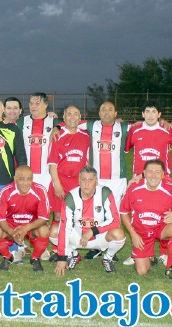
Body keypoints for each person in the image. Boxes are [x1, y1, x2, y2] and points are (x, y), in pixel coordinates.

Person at [120, 159, 172, 279]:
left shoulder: (170, 189)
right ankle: (150, 257)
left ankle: (171, 267)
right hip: (141, 233)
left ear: (163, 174)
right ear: (144, 173)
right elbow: (124, 212)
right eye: (150, 171)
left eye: (157, 172)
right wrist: (133, 234)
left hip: (161, 229)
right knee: (142, 271)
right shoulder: (134, 188)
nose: (153, 175)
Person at [54, 167, 125, 276]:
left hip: (100, 237)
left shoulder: (105, 193)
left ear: (96, 181)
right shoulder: (71, 197)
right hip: (78, 237)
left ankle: (108, 258)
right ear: (79, 181)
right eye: (83, 179)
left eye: (90, 180)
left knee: (119, 234)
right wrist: (61, 257)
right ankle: (72, 254)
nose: (87, 183)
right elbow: (65, 227)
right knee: (55, 231)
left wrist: (93, 231)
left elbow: (115, 221)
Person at [84, 101, 129, 260]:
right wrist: (56, 125)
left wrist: (164, 122)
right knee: (96, 213)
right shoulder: (90, 125)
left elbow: (143, 126)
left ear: (116, 114)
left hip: (117, 179)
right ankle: (97, 246)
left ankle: (112, 246)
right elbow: (70, 122)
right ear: (99, 113)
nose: (107, 112)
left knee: (113, 214)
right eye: (103, 109)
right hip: (96, 179)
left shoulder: (124, 128)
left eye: (110, 109)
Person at [48, 106, 90, 261]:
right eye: (69, 114)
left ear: (80, 118)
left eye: (76, 114)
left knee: (75, 217)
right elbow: (52, 164)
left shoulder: (85, 136)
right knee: (58, 215)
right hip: (61, 180)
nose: (72, 117)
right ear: (63, 117)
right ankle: (57, 249)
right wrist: (57, 184)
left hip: (78, 183)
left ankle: (70, 249)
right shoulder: (58, 135)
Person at [0, 165, 50, 272]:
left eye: (29, 179)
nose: (25, 183)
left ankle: (35, 258)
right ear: (15, 179)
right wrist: (12, 232)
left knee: (45, 230)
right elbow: (0, 218)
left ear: (33, 179)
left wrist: (26, 228)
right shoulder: (6, 191)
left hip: (31, 226)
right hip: (11, 226)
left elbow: (44, 218)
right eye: (21, 179)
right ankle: (8, 257)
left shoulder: (40, 190)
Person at [125, 101, 172, 177]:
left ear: (159, 114)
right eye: (147, 112)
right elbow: (126, 149)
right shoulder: (134, 130)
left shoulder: (168, 129)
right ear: (143, 114)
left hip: (162, 177)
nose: (150, 115)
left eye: (154, 112)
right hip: (139, 178)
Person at [16, 92, 59, 188]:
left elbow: (72, 124)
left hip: (48, 175)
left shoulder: (55, 122)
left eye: (37, 104)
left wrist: (58, 126)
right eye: (31, 103)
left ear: (46, 105)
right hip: (26, 174)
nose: (33, 106)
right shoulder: (21, 122)